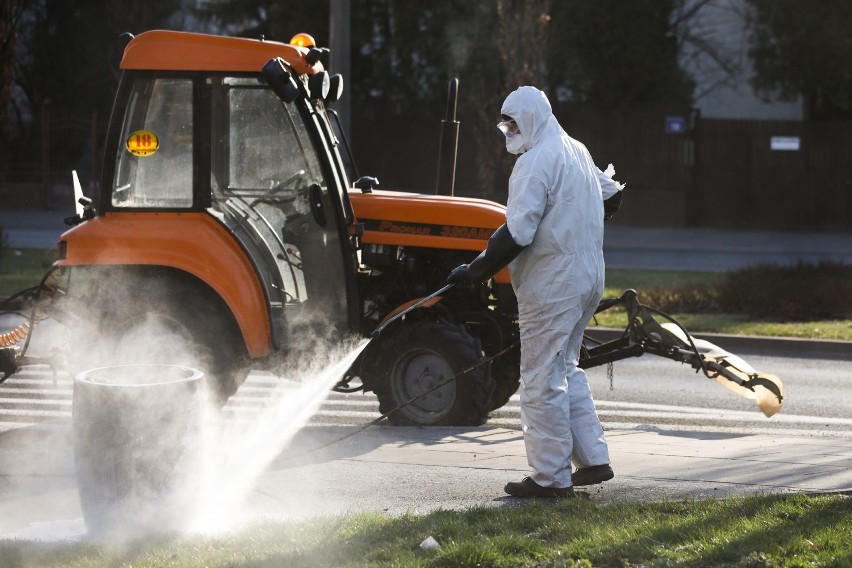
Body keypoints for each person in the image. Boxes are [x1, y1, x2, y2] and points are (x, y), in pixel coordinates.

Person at [448, 86, 624, 498]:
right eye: (503, 123)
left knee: (542, 377)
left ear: (531, 118)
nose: (506, 130)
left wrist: (474, 271)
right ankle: (594, 460)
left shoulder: (534, 162)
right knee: (565, 367)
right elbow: (612, 196)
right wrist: (575, 222)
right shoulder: (575, 149)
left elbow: (518, 231)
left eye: (511, 122)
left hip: (554, 283)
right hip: (588, 275)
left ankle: (550, 479)